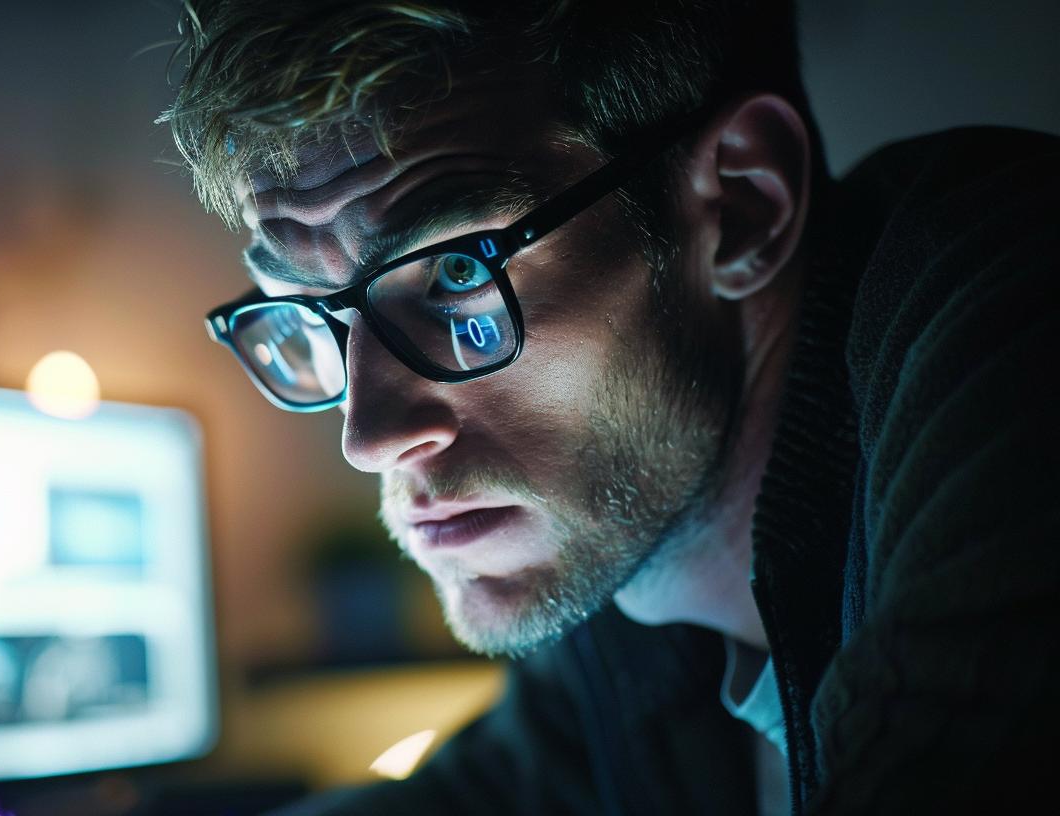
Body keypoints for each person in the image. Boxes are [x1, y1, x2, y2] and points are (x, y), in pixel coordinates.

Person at [158, 2, 1060, 813]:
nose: (371, 438)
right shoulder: (630, 608)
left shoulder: (1013, 304)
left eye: (460, 274)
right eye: (314, 319)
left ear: (742, 205)